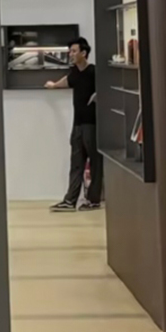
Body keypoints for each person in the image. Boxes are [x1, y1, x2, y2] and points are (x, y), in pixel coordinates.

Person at [45, 37, 103, 212]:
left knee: (95, 163)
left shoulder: (94, 71)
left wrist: (99, 95)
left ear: (83, 53)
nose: (71, 54)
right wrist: (54, 85)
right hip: (77, 124)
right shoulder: (75, 73)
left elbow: (107, 86)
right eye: (70, 51)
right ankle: (70, 201)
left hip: (92, 124)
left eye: (74, 51)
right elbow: (67, 80)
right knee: (76, 163)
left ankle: (93, 200)